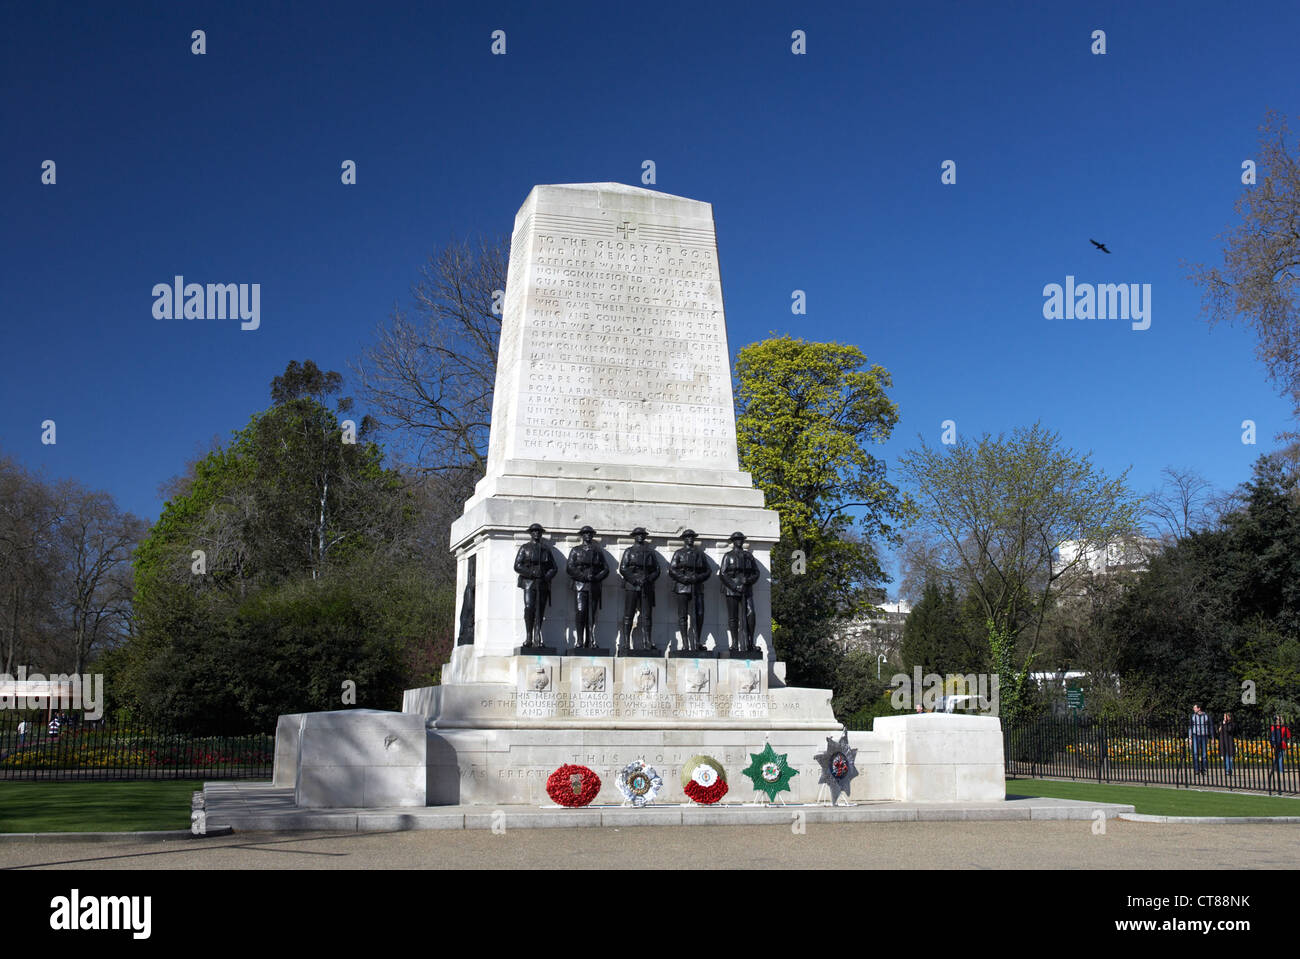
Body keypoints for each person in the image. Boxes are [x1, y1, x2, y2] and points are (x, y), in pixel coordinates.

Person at [513, 523, 557, 648]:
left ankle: (537, 635)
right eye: (534, 531)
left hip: (542, 583)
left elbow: (554, 568)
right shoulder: (525, 548)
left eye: (539, 531)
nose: (537, 533)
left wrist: (545, 576)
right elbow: (517, 565)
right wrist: (531, 572)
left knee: (540, 610)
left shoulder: (546, 549)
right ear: (531, 533)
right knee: (529, 607)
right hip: (528, 583)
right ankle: (528, 636)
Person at [668, 529, 711, 653]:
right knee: (683, 616)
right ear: (684, 539)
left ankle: (697, 642)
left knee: (699, 614)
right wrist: (684, 578)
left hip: (697, 587)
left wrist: (697, 577)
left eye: (692, 537)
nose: (690, 539)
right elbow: (672, 570)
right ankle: (685, 643)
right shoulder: (679, 553)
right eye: (687, 537)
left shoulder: (700, 554)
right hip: (682, 587)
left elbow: (708, 571)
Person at [566, 526, 609, 650]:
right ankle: (579, 640)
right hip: (580, 585)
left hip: (593, 585)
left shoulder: (597, 551)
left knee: (591, 614)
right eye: (585, 533)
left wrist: (596, 577)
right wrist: (583, 576)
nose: (588, 536)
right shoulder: (576, 550)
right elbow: (569, 568)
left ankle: (590, 639)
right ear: (582, 536)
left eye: (590, 534)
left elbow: (605, 569)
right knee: (581, 612)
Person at [619, 528, 661, 652]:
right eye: (638, 535)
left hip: (646, 586)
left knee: (647, 615)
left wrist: (648, 578)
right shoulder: (629, 551)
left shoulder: (650, 552)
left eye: (642, 535)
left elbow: (657, 570)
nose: (640, 537)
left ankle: (647, 642)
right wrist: (634, 580)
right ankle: (626, 642)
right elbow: (623, 568)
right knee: (629, 615)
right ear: (634, 537)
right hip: (632, 586)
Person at [719, 531, 760, 654]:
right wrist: (734, 586)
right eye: (736, 539)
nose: (739, 541)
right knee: (733, 617)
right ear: (733, 541)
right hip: (732, 589)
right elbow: (722, 573)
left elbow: (756, 572)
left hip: (746, 589)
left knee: (750, 613)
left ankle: (750, 643)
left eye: (741, 539)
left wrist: (748, 580)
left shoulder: (748, 556)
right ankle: (735, 643)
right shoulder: (728, 556)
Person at [1188, 703, 1211, 776]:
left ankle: (1204, 769)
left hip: (1204, 735)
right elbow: (1190, 727)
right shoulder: (1193, 716)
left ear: (1199, 708)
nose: (1193, 709)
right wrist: (1190, 737)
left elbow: (1210, 726)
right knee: (1195, 753)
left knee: (1204, 754)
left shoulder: (1206, 716)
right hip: (1195, 735)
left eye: (1194, 708)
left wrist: (1211, 736)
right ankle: (1196, 769)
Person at [1269, 714, 1291, 778]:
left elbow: (1288, 736)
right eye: (1280, 719)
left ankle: (1277, 769)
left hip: (1279, 744)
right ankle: (1279, 770)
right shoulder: (1278, 728)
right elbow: (1288, 736)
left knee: (1278, 757)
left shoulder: (1275, 727)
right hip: (1279, 744)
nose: (1282, 720)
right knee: (1279, 757)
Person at [1218, 712, 1237, 776]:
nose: (1224, 718)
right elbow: (1219, 731)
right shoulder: (1222, 723)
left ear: (1229, 717)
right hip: (1223, 741)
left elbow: (1229, 730)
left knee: (1230, 757)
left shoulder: (1232, 724)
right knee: (1226, 756)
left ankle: (1229, 769)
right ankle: (1227, 770)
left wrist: (1224, 724)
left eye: (1225, 717)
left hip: (1229, 741)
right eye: (1224, 717)